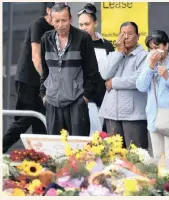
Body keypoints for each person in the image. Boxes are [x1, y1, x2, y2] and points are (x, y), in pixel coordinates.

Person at [2, 2, 55, 153]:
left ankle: (41, 158)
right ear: (48, 10)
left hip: (41, 83)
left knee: (41, 121)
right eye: (55, 14)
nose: (58, 20)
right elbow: (35, 57)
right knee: (25, 119)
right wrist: (48, 80)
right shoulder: (39, 24)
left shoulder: (56, 28)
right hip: (28, 80)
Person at [40, 3, 99, 136]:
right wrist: (44, 95)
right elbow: (45, 71)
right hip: (52, 102)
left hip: (76, 102)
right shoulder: (46, 39)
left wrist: (85, 97)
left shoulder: (83, 37)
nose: (60, 25)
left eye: (64, 20)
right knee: (55, 150)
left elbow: (92, 71)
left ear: (70, 19)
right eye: (57, 21)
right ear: (51, 20)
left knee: (78, 150)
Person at [136, 30, 169, 159]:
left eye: (157, 47)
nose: (154, 51)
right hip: (154, 117)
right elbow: (141, 86)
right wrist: (150, 67)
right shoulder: (149, 62)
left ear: (166, 46)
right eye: (151, 48)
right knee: (157, 159)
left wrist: (168, 77)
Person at [98, 22, 148, 149]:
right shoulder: (114, 55)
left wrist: (113, 83)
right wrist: (119, 52)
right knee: (113, 155)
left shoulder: (144, 56)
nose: (125, 37)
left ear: (137, 36)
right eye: (122, 34)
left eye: (130, 34)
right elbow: (104, 74)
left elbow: (138, 80)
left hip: (133, 114)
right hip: (111, 112)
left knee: (135, 155)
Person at [78, 3, 115, 135]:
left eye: (87, 24)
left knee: (103, 137)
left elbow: (113, 70)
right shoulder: (76, 45)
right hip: (84, 97)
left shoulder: (106, 45)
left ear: (95, 23)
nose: (84, 28)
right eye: (81, 25)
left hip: (104, 98)